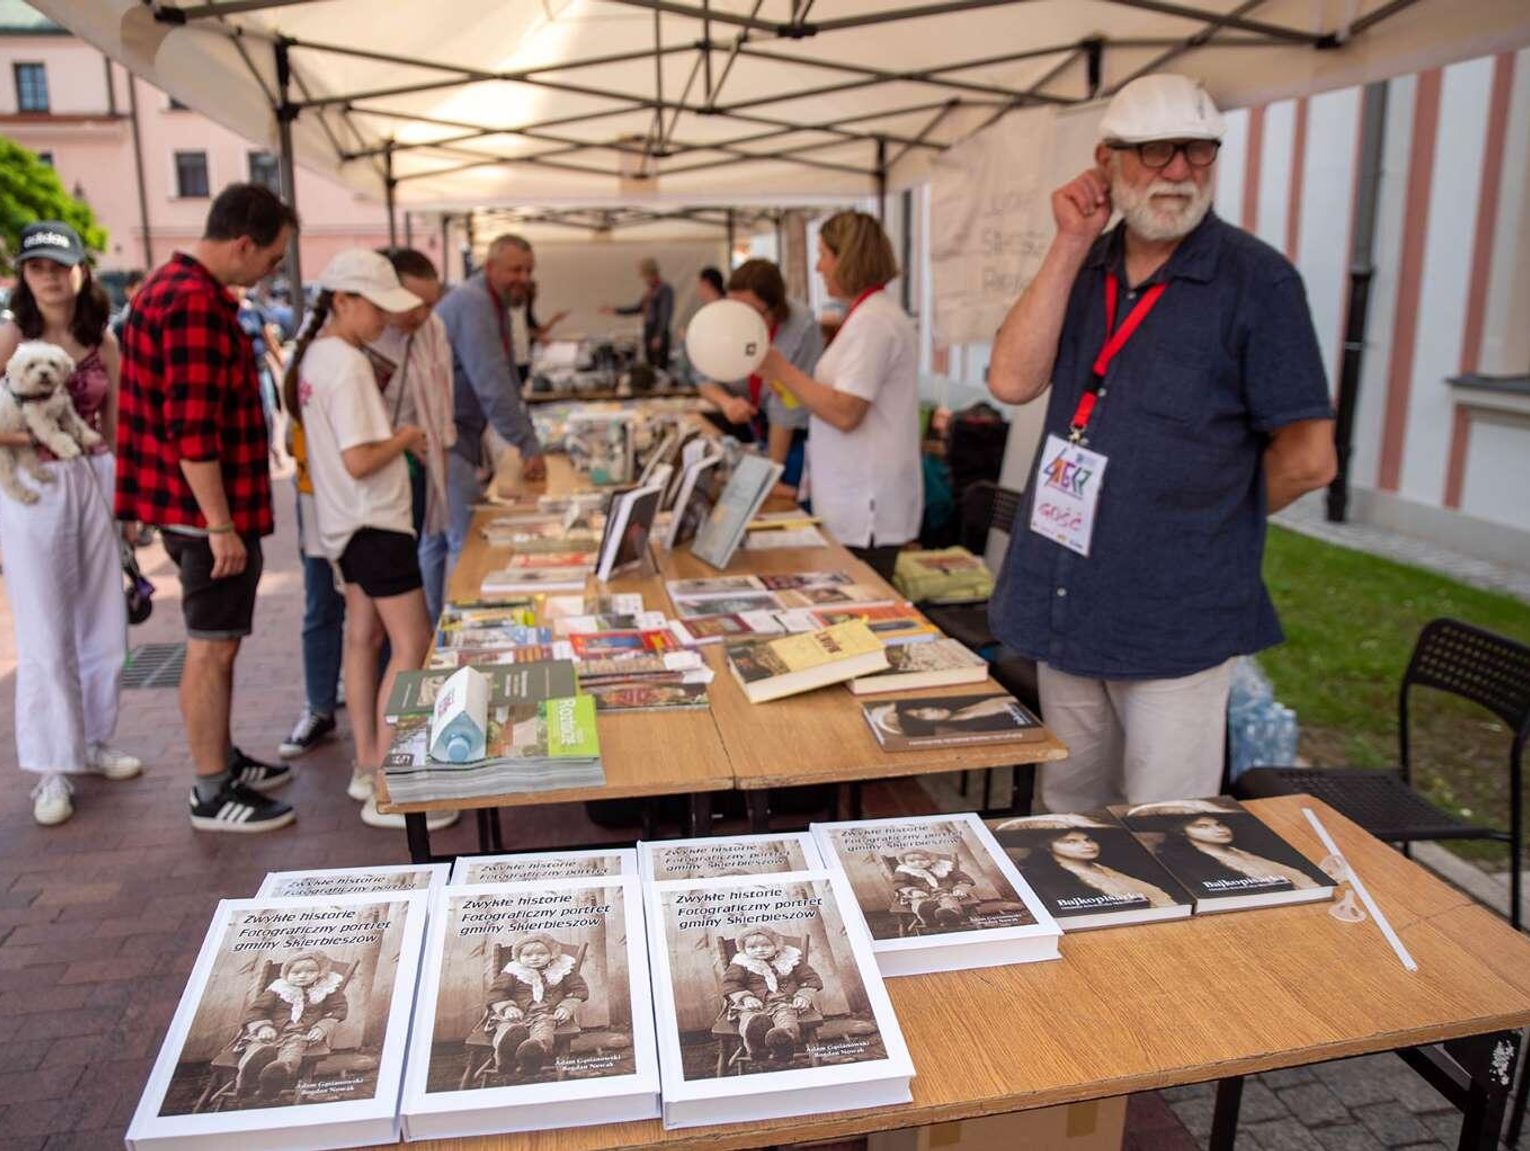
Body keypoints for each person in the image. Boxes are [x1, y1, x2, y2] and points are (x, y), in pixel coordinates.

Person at [985, 74, 1338, 813]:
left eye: (1197, 151)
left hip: (1175, 614)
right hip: (1066, 596)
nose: (1178, 171)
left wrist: (1201, 516)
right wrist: (1071, 238)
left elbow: (1310, 460)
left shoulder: (1257, 281)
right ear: (1107, 160)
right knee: (1069, 816)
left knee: (1164, 832)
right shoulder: (1086, 263)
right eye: (1154, 152)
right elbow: (1013, 380)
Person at [116, 183, 300, 833]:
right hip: (202, 515)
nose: (272, 271)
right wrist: (220, 524)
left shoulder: (177, 288)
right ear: (244, 244)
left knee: (218, 643)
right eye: (273, 258)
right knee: (211, 647)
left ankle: (219, 762)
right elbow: (192, 432)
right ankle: (209, 787)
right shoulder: (192, 301)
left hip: (193, 509)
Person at [282, 248, 456, 833]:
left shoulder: (317, 358)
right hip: (374, 519)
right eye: (376, 307)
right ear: (343, 301)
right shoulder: (348, 364)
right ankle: (390, 779)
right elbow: (360, 458)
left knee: (363, 638)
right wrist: (406, 436)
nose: (385, 320)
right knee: (412, 643)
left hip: (345, 523)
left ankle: (368, 764)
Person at [0, 221, 141, 827]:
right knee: (43, 627)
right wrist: (31, 433)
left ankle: (93, 741)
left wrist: (127, 502)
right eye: (37, 268)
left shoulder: (102, 340)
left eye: (60, 266)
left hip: (94, 479)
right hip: (32, 486)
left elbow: (114, 423)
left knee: (104, 623)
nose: (51, 278)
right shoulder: (11, 337)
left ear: (81, 271)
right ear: (24, 278)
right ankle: (50, 767)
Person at [758, 211, 921, 580]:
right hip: (853, 498)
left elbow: (846, 412)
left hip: (867, 508)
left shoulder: (874, 322)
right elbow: (829, 401)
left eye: (824, 255)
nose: (818, 267)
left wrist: (784, 370)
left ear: (847, 258)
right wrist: (784, 383)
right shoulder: (864, 316)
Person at [435, 234, 546, 578]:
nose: (524, 279)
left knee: (439, 543)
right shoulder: (474, 303)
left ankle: (434, 620)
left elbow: (508, 377)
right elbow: (493, 385)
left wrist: (528, 436)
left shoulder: (495, 305)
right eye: (515, 269)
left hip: (456, 435)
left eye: (528, 270)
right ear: (490, 267)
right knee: (466, 543)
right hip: (444, 438)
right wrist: (528, 444)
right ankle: (453, 622)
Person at [696, 259, 820, 493]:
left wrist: (771, 476)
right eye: (735, 309)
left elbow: (786, 408)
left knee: (784, 498)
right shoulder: (726, 319)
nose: (741, 320)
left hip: (791, 438)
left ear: (775, 308)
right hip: (755, 432)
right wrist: (727, 403)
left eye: (750, 312)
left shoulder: (801, 328)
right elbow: (703, 378)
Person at [992, 815, 1181, 910]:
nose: (1087, 845)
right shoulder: (1044, 877)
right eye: (1071, 842)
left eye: (1088, 839)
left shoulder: (1111, 869)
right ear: (1048, 848)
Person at [238, 952, 348, 1102]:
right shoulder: (278, 989)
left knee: (292, 1053)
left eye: (310, 971)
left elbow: (338, 1010)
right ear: (286, 973)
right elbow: (256, 1010)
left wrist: (322, 1028)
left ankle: (277, 1074)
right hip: (270, 1033)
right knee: (256, 1049)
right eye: (296, 972)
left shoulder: (326, 989)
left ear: (321, 973)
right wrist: (263, 1028)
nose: (302, 976)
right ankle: (246, 1082)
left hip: (299, 1035)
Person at [486, 933, 588, 1075]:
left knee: (544, 1032)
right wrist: (508, 1008)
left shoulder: (562, 970)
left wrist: (567, 1007)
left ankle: (532, 1054)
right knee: (506, 1029)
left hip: (545, 1015)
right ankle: (505, 1057)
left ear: (552, 953)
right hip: (514, 1015)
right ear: (519, 957)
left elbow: (578, 990)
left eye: (541, 953)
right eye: (528, 955)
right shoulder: (512, 972)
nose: (535, 958)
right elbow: (496, 993)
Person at [721, 925, 822, 1063]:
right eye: (752, 947)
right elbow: (730, 983)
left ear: (776, 945)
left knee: (787, 1018)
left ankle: (783, 1043)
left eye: (766, 945)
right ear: (744, 949)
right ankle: (756, 1046)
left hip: (783, 1003)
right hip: (752, 1005)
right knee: (750, 1020)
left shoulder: (790, 959)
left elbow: (811, 978)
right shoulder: (741, 963)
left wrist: (803, 995)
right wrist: (746, 997)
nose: (760, 950)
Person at [602, 257, 674, 369]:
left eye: (646, 276)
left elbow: (665, 314)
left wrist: (659, 335)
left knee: (659, 367)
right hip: (649, 331)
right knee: (651, 365)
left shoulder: (665, 289)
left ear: (652, 274)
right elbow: (638, 308)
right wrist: (615, 311)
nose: (645, 280)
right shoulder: (650, 291)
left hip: (657, 331)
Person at [891, 848, 975, 929]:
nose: (918, 863)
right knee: (919, 903)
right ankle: (928, 918)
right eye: (912, 861)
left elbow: (964, 878)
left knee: (948, 900)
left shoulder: (944, 867)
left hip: (943, 892)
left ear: (931, 859)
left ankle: (951, 916)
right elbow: (899, 884)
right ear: (905, 862)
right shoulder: (904, 871)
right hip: (920, 895)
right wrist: (913, 891)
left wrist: (960, 888)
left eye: (922, 860)